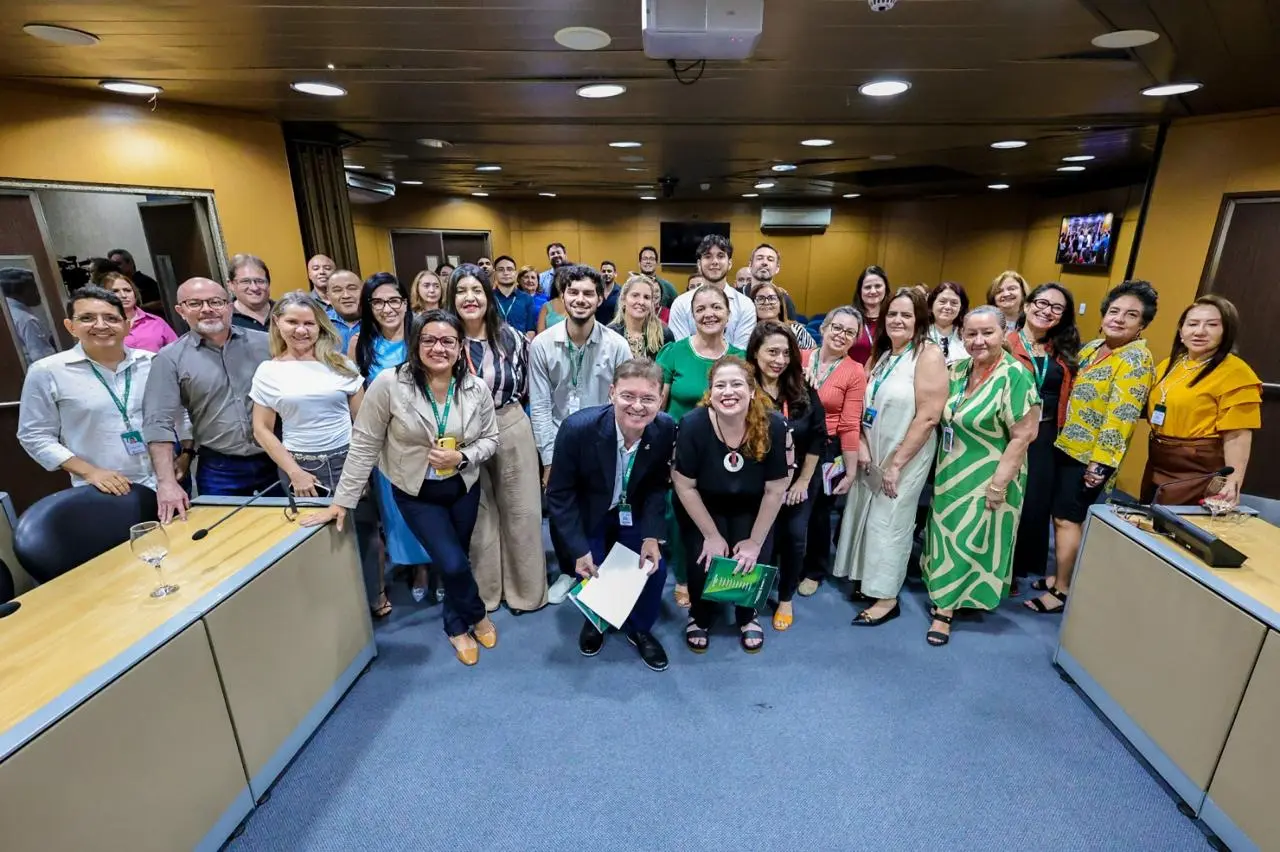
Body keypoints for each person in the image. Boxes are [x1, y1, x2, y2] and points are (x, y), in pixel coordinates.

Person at [303, 311, 500, 666]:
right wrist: (342, 501)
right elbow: (364, 442)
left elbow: (490, 440)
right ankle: (477, 613)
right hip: (416, 492)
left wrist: (463, 457)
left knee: (457, 558)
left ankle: (455, 624)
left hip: (462, 486)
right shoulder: (389, 384)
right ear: (415, 344)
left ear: (460, 347)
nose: (438, 348)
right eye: (429, 340)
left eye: (448, 341)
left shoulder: (476, 388)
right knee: (453, 564)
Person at [249, 294, 386, 618]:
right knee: (319, 539)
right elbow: (262, 429)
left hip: (347, 460)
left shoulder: (341, 365)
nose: (301, 330)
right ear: (277, 323)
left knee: (366, 533)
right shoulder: (269, 371)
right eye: (292, 322)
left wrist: (360, 466)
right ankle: (339, 607)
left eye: (309, 323)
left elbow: (363, 421)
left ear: (320, 326)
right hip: (301, 467)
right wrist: (294, 472)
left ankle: (376, 594)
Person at [1027, 280, 1158, 614]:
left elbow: (1122, 416)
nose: (1119, 319)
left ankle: (1062, 590)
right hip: (1065, 446)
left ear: (1142, 325)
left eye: (1131, 315)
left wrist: (1100, 465)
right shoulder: (1094, 348)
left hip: (1089, 457)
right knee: (1061, 517)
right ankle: (1062, 576)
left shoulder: (1135, 359)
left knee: (1067, 520)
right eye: (1114, 311)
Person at [546, 359, 675, 672]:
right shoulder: (578, 429)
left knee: (653, 569)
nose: (637, 406)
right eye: (628, 396)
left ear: (660, 399)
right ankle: (596, 621)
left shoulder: (665, 428)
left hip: (632, 512)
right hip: (589, 513)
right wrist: (578, 549)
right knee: (593, 569)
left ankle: (639, 628)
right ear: (612, 393)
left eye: (648, 398)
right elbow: (560, 494)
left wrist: (651, 535)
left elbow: (657, 486)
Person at [923, 306, 1041, 645]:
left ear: (1004, 334)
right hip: (952, 469)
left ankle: (944, 610)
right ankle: (951, 592)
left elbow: (1023, 436)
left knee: (972, 537)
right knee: (945, 535)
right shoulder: (958, 370)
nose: (979, 341)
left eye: (987, 333)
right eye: (971, 333)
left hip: (992, 472)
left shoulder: (1015, 375)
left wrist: (998, 485)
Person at [835, 289, 947, 624]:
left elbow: (929, 416)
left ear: (919, 320)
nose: (898, 320)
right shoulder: (883, 354)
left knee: (890, 522)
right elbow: (861, 403)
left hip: (905, 455)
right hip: (872, 450)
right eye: (892, 314)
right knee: (865, 514)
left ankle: (885, 597)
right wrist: (862, 444)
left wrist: (897, 464)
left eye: (906, 315)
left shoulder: (927, 355)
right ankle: (866, 580)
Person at [530, 265, 632, 604]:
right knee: (562, 507)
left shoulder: (617, 345)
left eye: (589, 293)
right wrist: (548, 458)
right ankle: (567, 570)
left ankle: (601, 570)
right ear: (562, 297)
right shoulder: (542, 344)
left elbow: (624, 401)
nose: (580, 299)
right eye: (573, 292)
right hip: (559, 438)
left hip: (604, 438)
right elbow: (540, 405)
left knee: (603, 505)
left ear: (600, 298)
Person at [673, 356, 789, 654]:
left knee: (751, 558)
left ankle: (747, 616)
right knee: (703, 558)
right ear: (710, 393)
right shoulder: (693, 424)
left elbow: (776, 489)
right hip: (703, 503)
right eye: (719, 385)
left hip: (753, 504)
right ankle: (700, 615)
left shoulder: (774, 425)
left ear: (751, 390)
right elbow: (684, 485)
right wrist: (711, 535)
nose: (728, 392)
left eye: (736, 384)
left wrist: (754, 542)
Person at [449, 264, 547, 614]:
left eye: (476, 290)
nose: (470, 298)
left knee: (522, 510)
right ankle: (487, 594)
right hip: (462, 432)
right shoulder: (444, 339)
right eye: (461, 291)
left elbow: (530, 389)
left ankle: (525, 592)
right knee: (479, 516)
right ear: (451, 298)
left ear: (488, 296)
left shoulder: (513, 338)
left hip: (509, 422)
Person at [142, 278, 274, 521]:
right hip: (221, 469)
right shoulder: (169, 359)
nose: (207, 309)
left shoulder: (267, 343)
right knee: (226, 534)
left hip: (277, 459)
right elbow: (158, 423)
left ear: (229, 306)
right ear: (181, 311)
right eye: (195, 303)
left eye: (215, 302)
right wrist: (167, 483)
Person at [19, 286, 170, 493]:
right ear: (71, 326)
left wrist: (184, 456)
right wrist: (90, 472)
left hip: (168, 482)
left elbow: (178, 415)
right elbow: (34, 435)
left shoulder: (152, 363)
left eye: (111, 318)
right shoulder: (47, 371)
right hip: (103, 489)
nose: (101, 325)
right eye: (87, 318)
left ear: (126, 325)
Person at [656, 285, 746, 607]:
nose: (709, 314)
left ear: (728, 314)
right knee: (680, 514)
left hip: (727, 451)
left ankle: (723, 577)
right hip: (680, 450)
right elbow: (658, 406)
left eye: (716, 307)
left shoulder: (741, 357)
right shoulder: (674, 352)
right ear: (692, 316)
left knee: (723, 514)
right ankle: (683, 577)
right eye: (701, 309)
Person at [350, 273, 430, 612]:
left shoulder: (421, 334)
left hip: (426, 437)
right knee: (397, 511)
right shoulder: (360, 343)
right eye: (378, 302)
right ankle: (418, 567)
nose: (387, 308)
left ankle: (438, 564)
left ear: (405, 302)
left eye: (394, 300)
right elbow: (357, 398)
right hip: (386, 443)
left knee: (431, 504)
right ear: (369, 306)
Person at [1141, 295, 1261, 506]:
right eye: (1192, 324)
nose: (1199, 331)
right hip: (1159, 462)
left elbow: (1237, 436)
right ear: (1181, 331)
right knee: (1146, 519)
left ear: (1226, 331)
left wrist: (1233, 482)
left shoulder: (1236, 373)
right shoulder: (1170, 364)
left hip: (1199, 471)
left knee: (1175, 524)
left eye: (1211, 325)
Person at [746, 323, 826, 631]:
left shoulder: (802, 388)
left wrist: (803, 481)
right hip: (757, 482)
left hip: (798, 480)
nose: (779, 360)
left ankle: (785, 597)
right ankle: (750, 595)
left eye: (785, 353)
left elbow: (818, 436)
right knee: (759, 538)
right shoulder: (743, 388)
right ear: (755, 353)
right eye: (772, 352)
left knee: (793, 537)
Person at [1007, 283, 1079, 587]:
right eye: (1042, 303)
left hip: (1046, 435)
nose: (1047, 311)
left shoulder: (1061, 351)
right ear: (1027, 305)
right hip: (1009, 432)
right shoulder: (1005, 343)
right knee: (1004, 496)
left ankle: (1015, 568)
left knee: (1032, 503)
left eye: (1057, 307)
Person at [797, 307, 866, 595]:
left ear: (855, 339)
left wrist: (850, 470)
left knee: (819, 512)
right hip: (794, 442)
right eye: (837, 327)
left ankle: (814, 570)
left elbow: (850, 424)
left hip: (829, 448)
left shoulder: (855, 371)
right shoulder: (799, 358)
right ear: (824, 328)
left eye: (849, 332)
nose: (841, 335)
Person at [667, 235, 756, 349]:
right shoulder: (681, 303)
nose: (714, 261)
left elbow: (741, 352)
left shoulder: (745, 305)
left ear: (729, 263)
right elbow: (681, 350)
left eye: (720, 256)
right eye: (708, 256)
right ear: (699, 264)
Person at [102, 272, 178, 353]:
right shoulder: (101, 326)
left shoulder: (156, 322)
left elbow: (178, 352)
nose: (123, 295)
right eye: (115, 291)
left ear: (135, 294)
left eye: (127, 290)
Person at [1, 266, 57, 366]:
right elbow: (44, 359)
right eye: (35, 287)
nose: (40, 292)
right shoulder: (26, 320)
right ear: (19, 290)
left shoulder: (8, 314)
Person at [609, 274, 673, 360]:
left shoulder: (664, 334)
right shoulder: (610, 335)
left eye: (646, 297)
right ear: (623, 299)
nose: (641, 302)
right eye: (635, 295)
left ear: (652, 303)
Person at [752, 281, 815, 349]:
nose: (766, 302)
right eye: (760, 299)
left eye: (772, 298)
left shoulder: (796, 330)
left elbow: (813, 354)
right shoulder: (748, 331)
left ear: (780, 304)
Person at [747, 243, 798, 320]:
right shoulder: (735, 295)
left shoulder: (784, 299)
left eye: (770, 259)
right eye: (759, 258)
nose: (764, 262)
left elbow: (790, 325)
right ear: (750, 265)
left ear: (777, 268)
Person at [491, 255, 538, 337]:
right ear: (495, 274)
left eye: (509, 269)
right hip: (493, 343)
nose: (506, 273)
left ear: (515, 274)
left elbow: (531, 330)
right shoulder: (488, 298)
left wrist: (523, 344)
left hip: (521, 343)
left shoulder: (527, 299)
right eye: (501, 269)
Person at [227, 253, 274, 333]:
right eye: (245, 281)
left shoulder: (285, 311)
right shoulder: (224, 318)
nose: (254, 288)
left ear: (268, 283)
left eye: (260, 281)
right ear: (231, 285)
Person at [851, 265, 889, 365]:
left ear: (886, 288)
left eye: (878, 286)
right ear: (860, 290)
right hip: (853, 373)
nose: (873, 291)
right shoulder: (850, 318)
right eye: (867, 287)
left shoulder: (893, 318)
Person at [926, 281, 969, 366]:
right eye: (942, 301)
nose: (948, 307)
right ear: (932, 304)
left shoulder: (967, 334)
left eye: (954, 303)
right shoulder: (920, 331)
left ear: (961, 307)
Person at [324, 269, 363, 352]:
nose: (346, 295)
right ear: (328, 297)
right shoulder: (320, 323)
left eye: (352, 288)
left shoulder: (378, 320)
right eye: (337, 290)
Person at [535, 267, 568, 333]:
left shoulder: (578, 304)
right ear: (555, 282)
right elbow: (540, 335)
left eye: (566, 279)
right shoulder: (546, 306)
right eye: (560, 279)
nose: (563, 283)